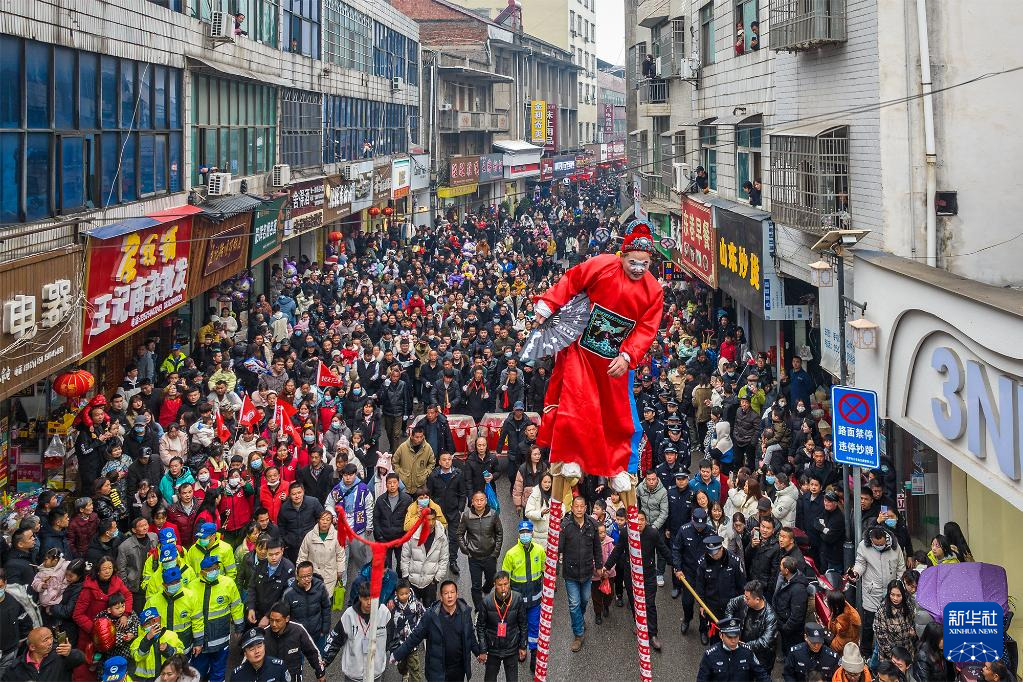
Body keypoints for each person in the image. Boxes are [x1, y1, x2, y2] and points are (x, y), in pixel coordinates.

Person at [530, 222, 664, 483]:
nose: (638, 269)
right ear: (622, 255)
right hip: (582, 349)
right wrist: (548, 303)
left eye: (644, 264)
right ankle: (570, 456)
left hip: (615, 360)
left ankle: (615, 468)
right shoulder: (602, 265)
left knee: (614, 415)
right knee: (576, 402)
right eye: (633, 262)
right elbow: (572, 279)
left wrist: (627, 356)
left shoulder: (654, 291)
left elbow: (647, 329)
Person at [604, 509, 672, 650]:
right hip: (631, 575)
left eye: (642, 520)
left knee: (649, 604)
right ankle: (639, 624)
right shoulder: (626, 533)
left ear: (646, 521)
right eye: (636, 520)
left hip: (648, 574)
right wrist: (607, 566)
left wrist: (676, 566)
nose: (639, 523)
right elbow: (617, 551)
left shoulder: (652, 533)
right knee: (634, 602)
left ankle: (652, 634)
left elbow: (663, 550)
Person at [391, 580, 481, 682]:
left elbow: (470, 635)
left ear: (457, 594)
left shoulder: (465, 613)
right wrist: (397, 654)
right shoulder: (431, 616)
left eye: (452, 592)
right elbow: (415, 636)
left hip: (458, 670)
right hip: (437, 671)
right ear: (441, 596)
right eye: (446, 593)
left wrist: (478, 652)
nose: (450, 596)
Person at [851, 526, 906, 656]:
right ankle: (865, 652)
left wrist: (899, 586)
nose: (879, 546)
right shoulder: (863, 546)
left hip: (890, 592)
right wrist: (855, 573)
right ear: (871, 540)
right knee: (869, 624)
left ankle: (889, 652)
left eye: (881, 544)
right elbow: (860, 564)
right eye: (876, 544)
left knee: (890, 623)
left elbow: (900, 567)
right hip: (872, 591)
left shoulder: (895, 547)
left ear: (886, 538)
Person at [559, 495, 602, 653]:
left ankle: (579, 618)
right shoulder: (565, 526)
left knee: (584, 600)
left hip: (587, 571)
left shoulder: (592, 525)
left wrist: (599, 565)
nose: (578, 509)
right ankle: (578, 634)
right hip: (570, 573)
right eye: (576, 506)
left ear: (585, 508)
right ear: (572, 508)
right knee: (574, 603)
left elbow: (597, 547)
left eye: (581, 506)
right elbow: (558, 548)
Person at [191, 556, 243, 682]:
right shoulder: (192, 587)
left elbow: (236, 606)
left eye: (216, 568)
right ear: (202, 572)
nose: (214, 571)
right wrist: (197, 640)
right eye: (210, 569)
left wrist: (239, 627)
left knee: (219, 672)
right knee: (198, 673)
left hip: (221, 638)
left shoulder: (228, 583)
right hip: (201, 640)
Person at [324, 582, 390, 682]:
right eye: (366, 599)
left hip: (375, 674)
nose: (369, 603)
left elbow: (393, 638)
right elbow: (335, 639)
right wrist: (325, 660)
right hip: (354, 674)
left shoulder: (384, 613)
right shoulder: (349, 614)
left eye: (372, 599)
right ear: (360, 598)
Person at [692, 534, 745, 645]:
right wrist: (701, 605)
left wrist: (740, 604)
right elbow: (700, 586)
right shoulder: (703, 563)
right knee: (715, 637)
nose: (713, 556)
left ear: (721, 548)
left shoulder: (734, 561)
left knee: (731, 636)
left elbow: (741, 585)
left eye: (716, 553)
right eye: (710, 553)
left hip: (731, 606)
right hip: (712, 606)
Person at [475, 571, 528, 682]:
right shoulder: (486, 602)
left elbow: (523, 624)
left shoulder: (517, 599)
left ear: (509, 583)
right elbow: (480, 627)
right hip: (493, 649)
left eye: (506, 584)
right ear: (495, 585)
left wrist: (523, 646)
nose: (503, 588)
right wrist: (483, 650)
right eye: (500, 585)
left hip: (511, 648)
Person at [457, 490, 503, 610]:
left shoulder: (493, 514)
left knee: (491, 580)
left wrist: (496, 552)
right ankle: (479, 609)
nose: (479, 503)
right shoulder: (466, 516)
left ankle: (486, 590)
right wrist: (465, 550)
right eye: (476, 500)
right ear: (472, 502)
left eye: (481, 500)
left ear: (486, 501)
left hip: (490, 556)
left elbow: (499, 533)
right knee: (476, 585)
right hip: (474, 557)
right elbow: (460, 534)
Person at [263, 601, 326, 682]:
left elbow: (312, 652)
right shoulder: (263, 635)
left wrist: (320, 673)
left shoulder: (298, 631)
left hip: (293, 678)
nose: (274, 624)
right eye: (271, 620)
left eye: (278, 621)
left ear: (287, 619)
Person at [724, 580, 778, 671]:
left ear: (757, 600)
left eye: (747, 598)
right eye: (745, 596)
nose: (744, 599)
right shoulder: (745, 599)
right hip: (741, 650)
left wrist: (744, 646)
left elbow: (765, 641)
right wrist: (730, 624)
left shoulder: (770, 617)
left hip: (760, 659)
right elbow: (731, 604)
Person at [696, 616, 772, 681]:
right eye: (729, 637)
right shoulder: (710, 655)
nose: (733, 641)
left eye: (736, 636)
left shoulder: (747, 652)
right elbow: (702, 679)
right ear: (721, 635)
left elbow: (762, 675)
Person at [5, 625, 87, 681]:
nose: (50, 642)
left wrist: (70, 653)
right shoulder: (15, 668)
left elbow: (81, 659)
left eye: (51, 637)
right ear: (32, 647)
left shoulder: (59, 653)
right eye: (45, 640)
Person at [246, 538, 295, 627]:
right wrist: (251, 608)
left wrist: (268, 616)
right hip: (257, 612)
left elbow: (285, 598)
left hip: (276, 617)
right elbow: (252, 587)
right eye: (270, 554)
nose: (274, 558)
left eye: (277, 554)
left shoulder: (289, 569)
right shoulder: (260, 565)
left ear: (282, 551)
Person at [298, 510, 347, 596]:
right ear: (318, 520)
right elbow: (302, 555)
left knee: (327, 599)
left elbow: (340, 555)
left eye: (328, 520)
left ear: (331, 522)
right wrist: (299, 572)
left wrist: (340, 571)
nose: (325, 522)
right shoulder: (309, 536)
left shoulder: (337, 536)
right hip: (312, 576)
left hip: (330, 575)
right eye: (322, 519)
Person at [130, 607, 184, 682]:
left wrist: (168, 649)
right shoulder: (137, 641)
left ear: (160, 620)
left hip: (168, 678)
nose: (152, 625)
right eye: (148, 623)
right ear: (142, 627)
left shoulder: (171, 636)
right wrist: (147, 640)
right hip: (146, 680)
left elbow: (181, 654)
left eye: (155, 621)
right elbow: (137, 657)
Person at [873, 579, 918, 665]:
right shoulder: (882, 610)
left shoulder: (908, 606)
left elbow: (913, 623)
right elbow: (881, 637)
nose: (895, 598)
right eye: (892, 594)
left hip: (907, 651)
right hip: (890, 657)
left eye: (898, 595)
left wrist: (913, 633)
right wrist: (894, 657)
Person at [390, 579, 426, 682]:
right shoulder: (393, 606)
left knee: (415, 668)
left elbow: (423, 614)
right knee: (401, 665)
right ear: (396, 593)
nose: (404, 596)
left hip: (412, 643)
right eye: (401, 594)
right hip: (399, 644)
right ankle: (405, 673)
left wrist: (418, 629)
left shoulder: (415, 603)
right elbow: (389, 624)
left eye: (406, 593)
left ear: (410, 591)